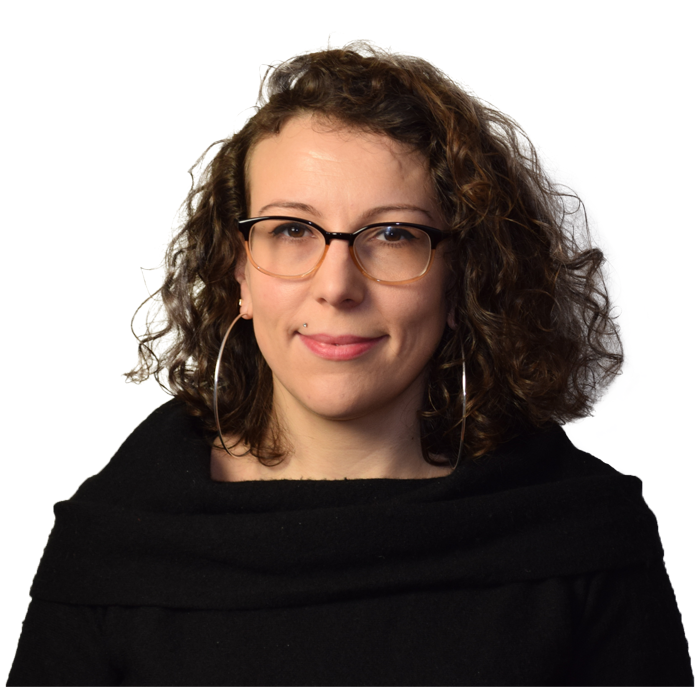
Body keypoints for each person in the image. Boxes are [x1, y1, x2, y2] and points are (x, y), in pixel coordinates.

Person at [8, 43, 693, 685]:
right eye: (291, 230)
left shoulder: (586, 537)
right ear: (239, 272)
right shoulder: (114, 541)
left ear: (463, 279)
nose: (337, 286)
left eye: (393, 233)